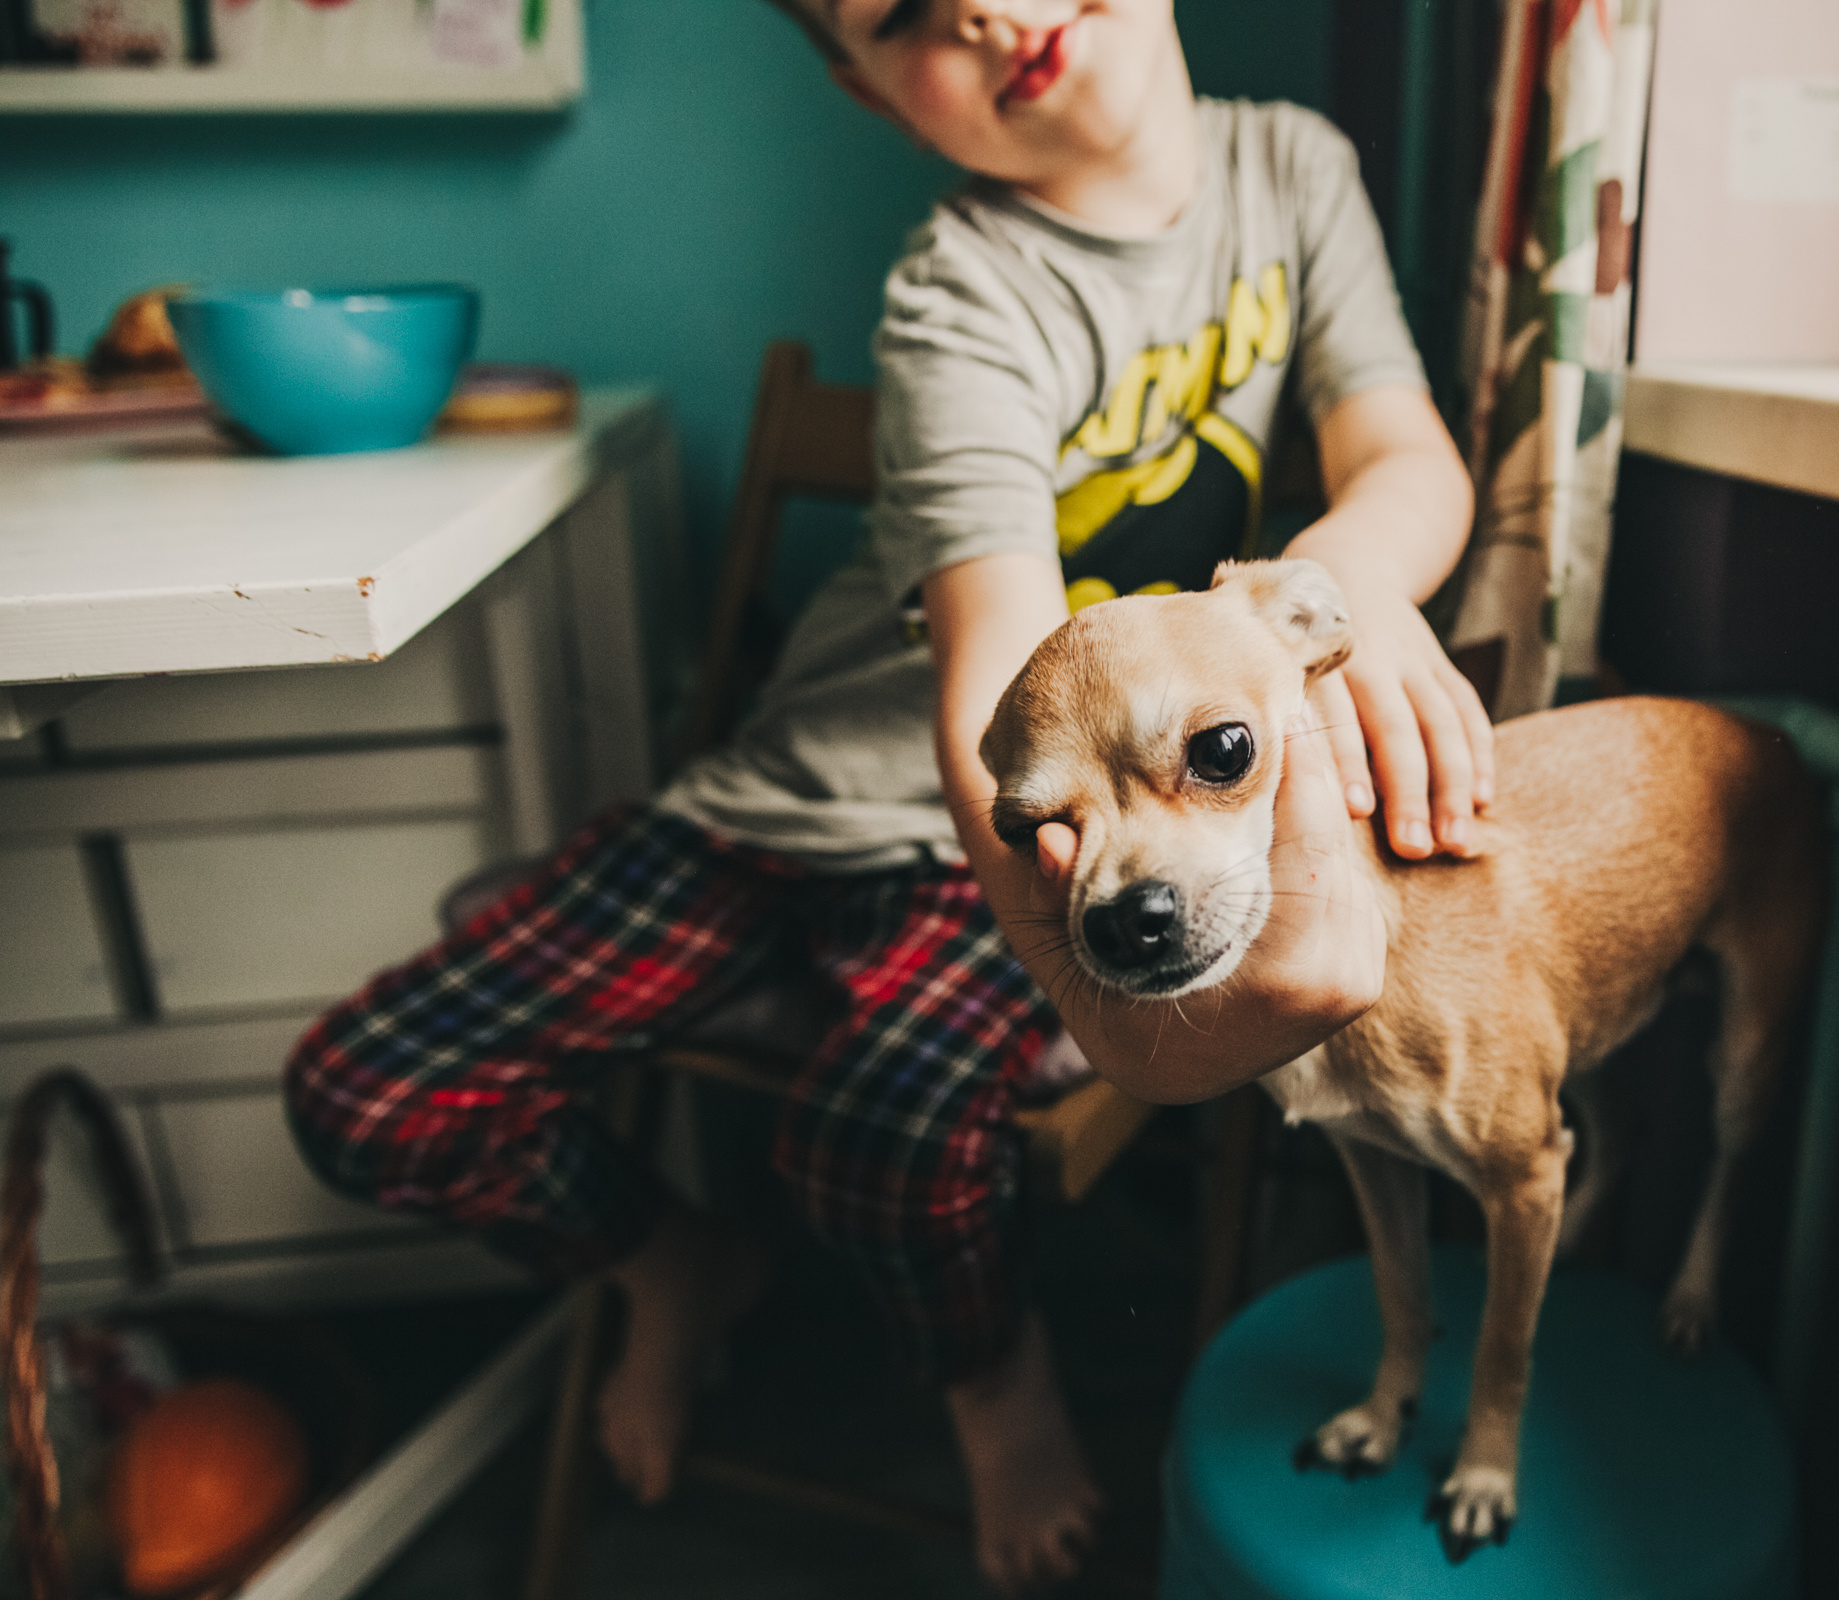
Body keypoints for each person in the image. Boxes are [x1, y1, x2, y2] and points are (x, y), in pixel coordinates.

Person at [283, 0, 1488, 1591]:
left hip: (982, 863)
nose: (984, 5)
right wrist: (1118, 1016)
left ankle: (989, 1383)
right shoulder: (959, 293)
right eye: (907, 14)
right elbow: (992, 698)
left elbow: (1408, 457)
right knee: (362, 1085)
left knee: (879, 1129)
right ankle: (673, 1266)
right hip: (824, 801)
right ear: (877, 100)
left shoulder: (1295, 170)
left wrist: (1326, 598)